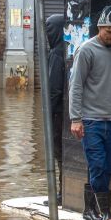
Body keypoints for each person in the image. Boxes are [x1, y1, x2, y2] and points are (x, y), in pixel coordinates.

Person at [69, 6, 111, 220]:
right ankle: (105, 213)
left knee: (107, 167)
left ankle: (89, 209)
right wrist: (76, 119)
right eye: (108, 32)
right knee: (97, 165)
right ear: (99, 28)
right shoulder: (86, 50)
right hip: (91, 120)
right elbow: (75, 86)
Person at [46, 13, 67, 205]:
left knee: (59, 153)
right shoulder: (70, 48)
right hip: (71, 112)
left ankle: (62, 194)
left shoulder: (56, 53)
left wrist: (48, 112)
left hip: (58, 113)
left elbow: (54, 87)